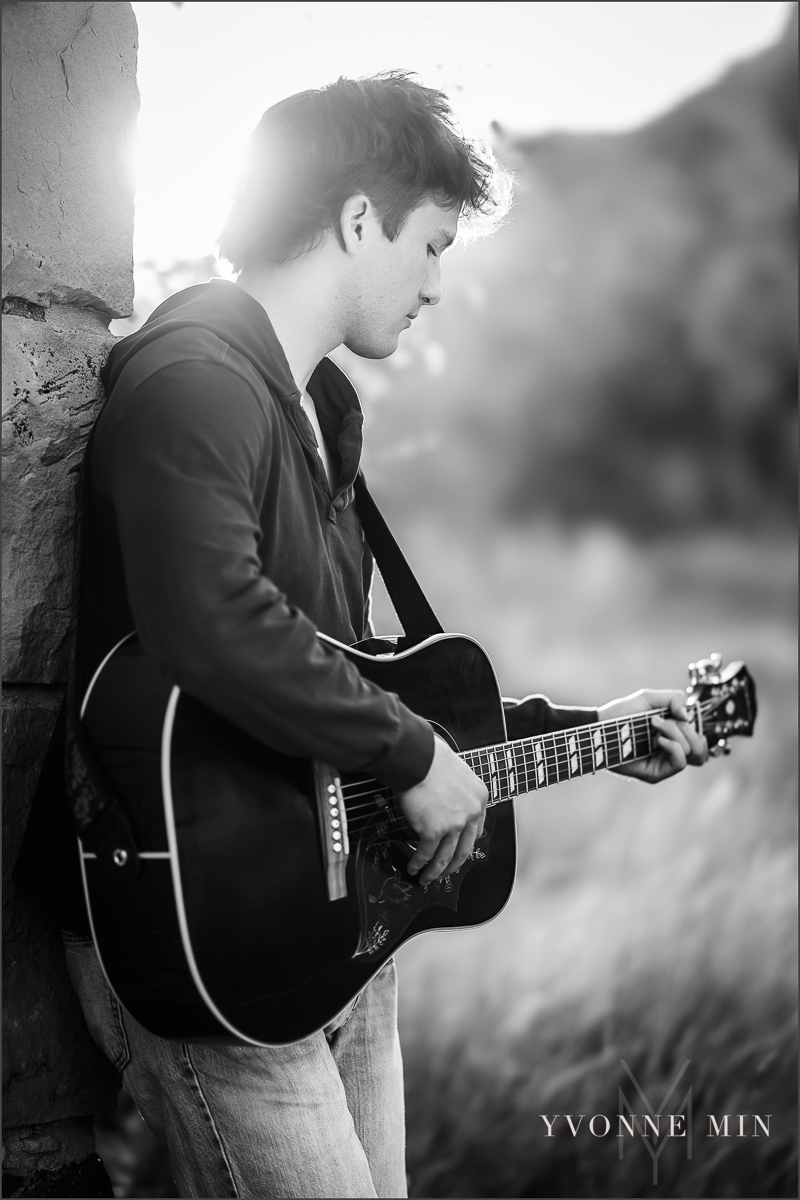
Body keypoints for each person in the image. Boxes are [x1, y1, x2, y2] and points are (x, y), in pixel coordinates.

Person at [60, 72, 708, 1198]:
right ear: (359, 219)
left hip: (328, 925)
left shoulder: (321, 413)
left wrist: (582, 732)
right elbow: (206, 615)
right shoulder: (195, 376)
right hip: (205, 934)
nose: (437, 286)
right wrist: (409, 757)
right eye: (432, 246)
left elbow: (353, 678)